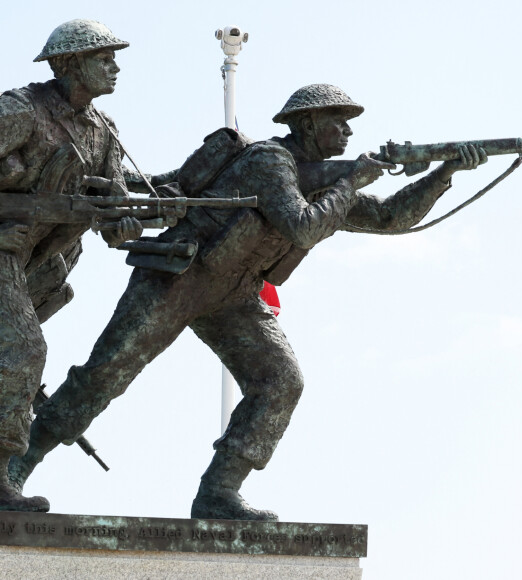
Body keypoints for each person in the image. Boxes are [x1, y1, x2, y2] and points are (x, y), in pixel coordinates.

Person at [9, 84, 487, 519]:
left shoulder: (320, 180)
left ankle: (219, 492)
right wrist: (348, 182)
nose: (347, 130)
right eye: (337, 121)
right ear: (306, 125)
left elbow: (388, 217)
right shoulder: (270, 160)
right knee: (105, 375)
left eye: (349, 123)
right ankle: (16, 467)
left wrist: (445, 172)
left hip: (234, 293)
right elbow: (301, 224)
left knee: (280, 381)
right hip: (180, 275)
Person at [0, 19, 144, 512]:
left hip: (37, 263)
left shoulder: (103, 133)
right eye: (103, 58)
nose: (115, 67)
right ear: (68, 63)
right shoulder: (22, 111)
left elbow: (117, 219)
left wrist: (125, 219)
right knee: (22, 351)